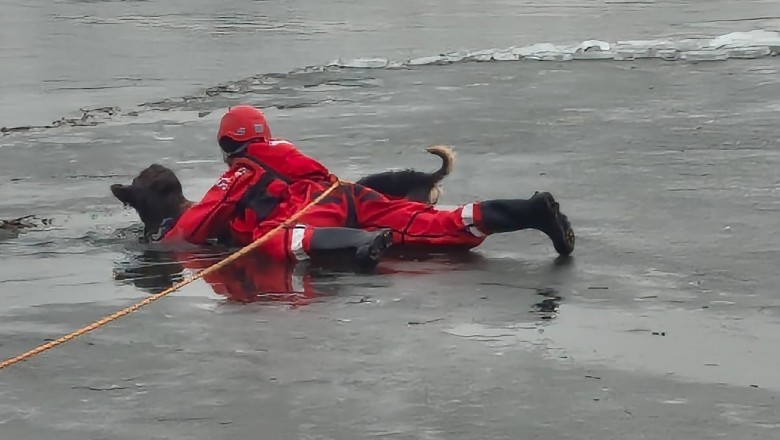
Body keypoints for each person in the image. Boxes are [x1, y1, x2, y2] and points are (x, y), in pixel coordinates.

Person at [162, 105, 575, 267]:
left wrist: (164, 243)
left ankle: (358, 244)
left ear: (227, 144)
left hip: (309, 208)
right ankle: (529, 210)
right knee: (432, 222)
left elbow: (194, 226)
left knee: (275, 240)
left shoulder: (240, 169)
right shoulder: (286, 151)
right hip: (347, 193)